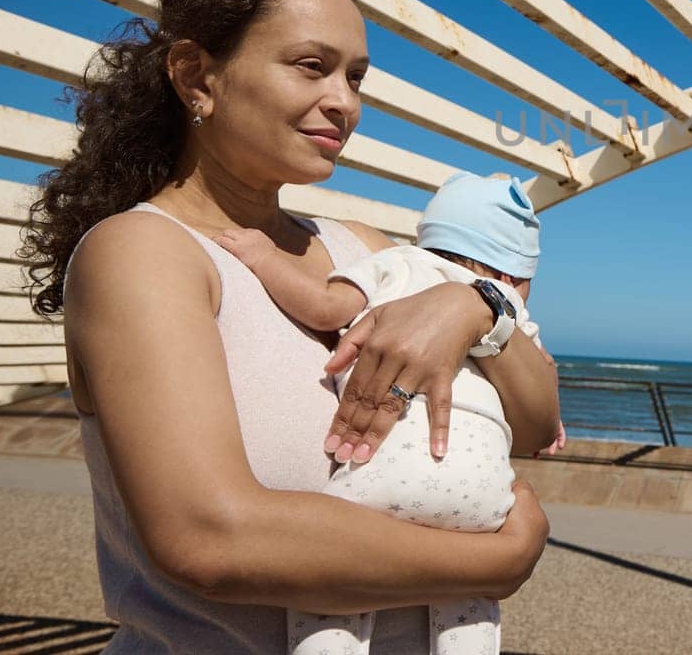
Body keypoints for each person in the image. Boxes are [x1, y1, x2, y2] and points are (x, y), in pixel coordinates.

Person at [22, 0, 560, 653]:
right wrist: (497, 560)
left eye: (357, 78)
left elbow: (528, 429)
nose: (343, 103)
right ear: (196, 77)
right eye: (312, 67)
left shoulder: (361, 247)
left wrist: (476, 309)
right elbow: (209, 537)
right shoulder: (144, 252)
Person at [215, 170, 553, 654]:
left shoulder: (396, 264)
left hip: (379, 479)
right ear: (514, 278)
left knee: (333, 593)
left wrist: (262, 257)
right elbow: (541, 383)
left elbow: (326, 307)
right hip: (481, 501)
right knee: (468, 607)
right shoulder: (506, 312)